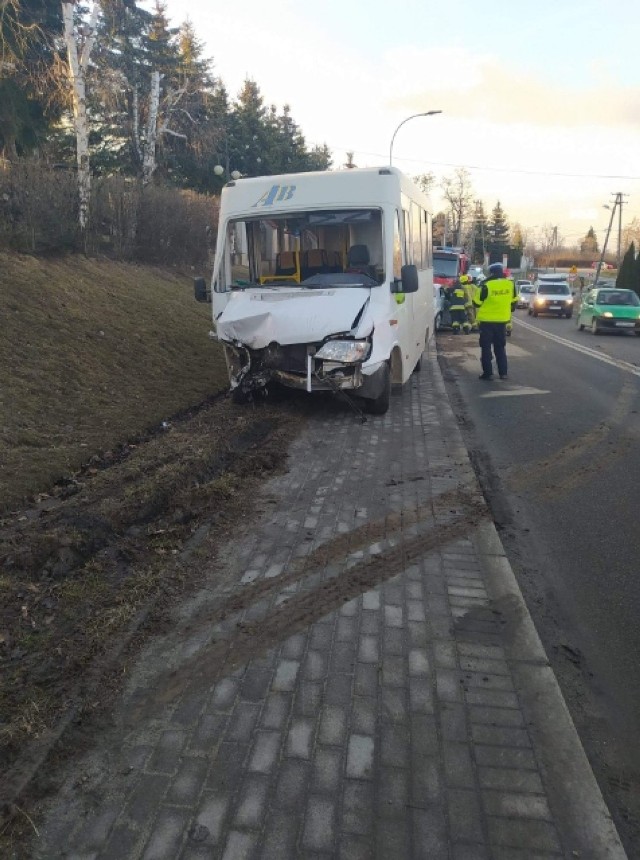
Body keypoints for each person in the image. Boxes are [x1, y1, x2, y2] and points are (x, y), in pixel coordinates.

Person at [472, 262, 517, 380]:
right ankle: (503, 373)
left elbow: (476, 302)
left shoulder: (485, 285)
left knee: (486, 348)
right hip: (502, 321)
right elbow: (514, 301)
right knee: (500, 348)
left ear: (491, 273)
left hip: (486, 322)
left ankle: (488, 373)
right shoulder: (510, 284)